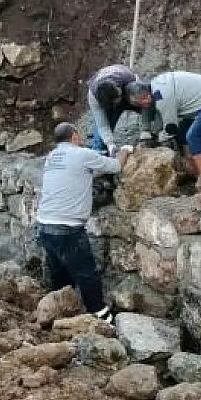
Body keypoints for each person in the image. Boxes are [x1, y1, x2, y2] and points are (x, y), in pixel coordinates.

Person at [35, 123, 130, 323]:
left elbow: (80, 174)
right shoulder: (81, 154)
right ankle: (101, 316)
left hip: (44, 226)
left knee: (60, 274)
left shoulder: (52, 157)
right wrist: (125, 150)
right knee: (86, 273)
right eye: (79, 136)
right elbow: (116, 166)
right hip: (67, 229)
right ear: (75, 136)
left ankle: (58, 314)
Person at [126, 71, 201, 177]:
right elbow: (148, 108)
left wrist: (158, 143)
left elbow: (170, 128)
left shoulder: (162, 96)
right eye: (140, 102)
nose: (145, 102)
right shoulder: (154, 87)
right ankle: (194, 169)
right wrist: (145, 131)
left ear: (147, 90)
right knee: (182, 135)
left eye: (145, 97)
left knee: (194, 137)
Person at [87, 64, 152, 155]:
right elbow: (102, 125)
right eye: (115, 102)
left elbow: (145, 102)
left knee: (149, 105)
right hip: (107, 101)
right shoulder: (94, 99)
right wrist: (110, 144)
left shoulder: (130, 79)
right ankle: (99, 155)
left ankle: (158, 133)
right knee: (103, 132)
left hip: (127, 88)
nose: (118, 103)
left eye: (118, 99)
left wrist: (146, 129)